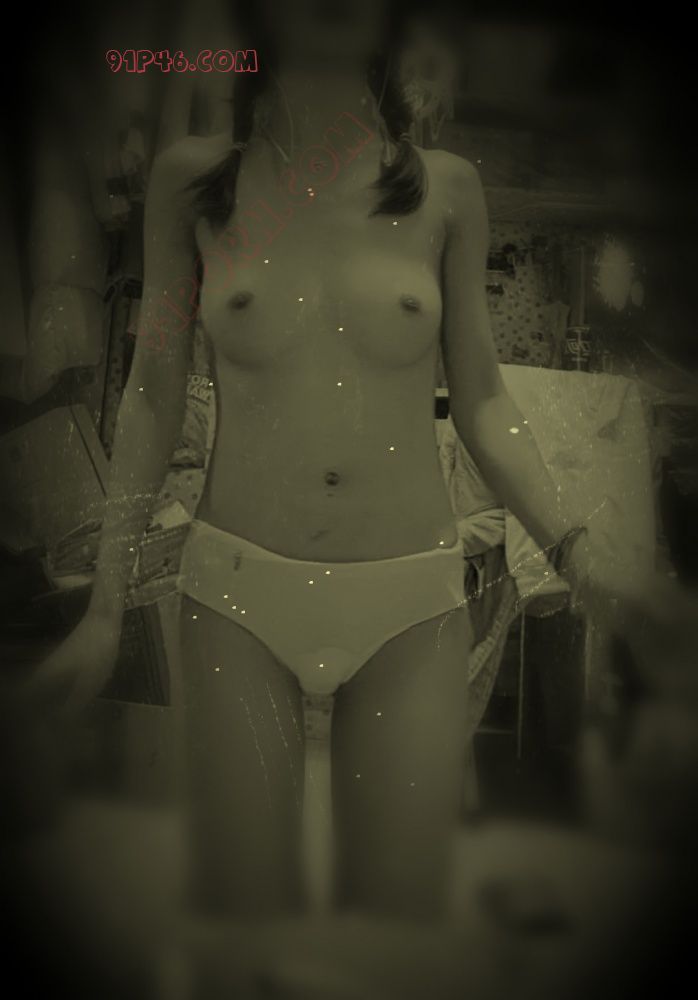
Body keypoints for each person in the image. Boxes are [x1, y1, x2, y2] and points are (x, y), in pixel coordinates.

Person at [36, 0, 635, 919]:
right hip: (235, 595)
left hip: (411, 605)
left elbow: (482, 399)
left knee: (393, 936)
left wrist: (579, 553)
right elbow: (153, 387)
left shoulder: (448, 190)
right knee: (243, 931)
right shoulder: (190, 180)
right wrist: (105, 610)